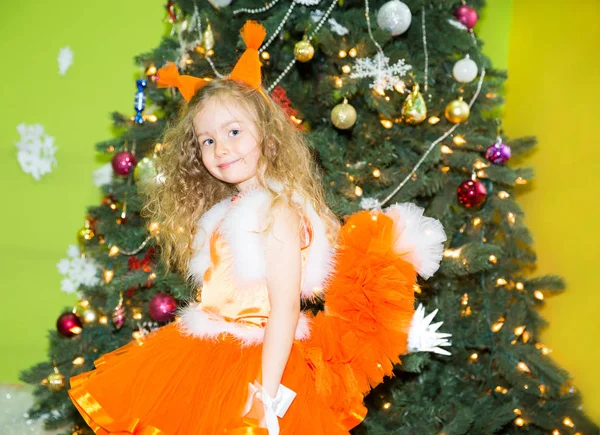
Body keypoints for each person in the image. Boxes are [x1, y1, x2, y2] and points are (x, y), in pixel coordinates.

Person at [68, 21, 451, 434]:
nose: (221, 148)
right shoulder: (231, 209)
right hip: (207, 349)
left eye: (234, 132)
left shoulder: (276, 211)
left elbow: (285, 309)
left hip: (259, 363)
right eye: (207, 141)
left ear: (267, 137)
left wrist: (266, 396)